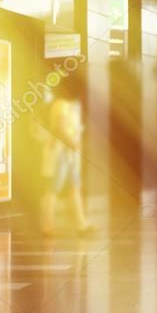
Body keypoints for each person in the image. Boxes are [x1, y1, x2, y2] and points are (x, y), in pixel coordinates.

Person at [40, 83, 93, 237]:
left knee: (74, 188)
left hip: (68, 154)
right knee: (52, 188)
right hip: (59, 154)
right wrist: (74, 144)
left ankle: (82, 225)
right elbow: (60, 128)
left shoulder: (70, 105)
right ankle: (47, 226)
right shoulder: (60, 105)